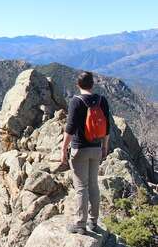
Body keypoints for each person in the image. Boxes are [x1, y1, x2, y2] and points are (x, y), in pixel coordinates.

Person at [60, 71, 110, 235]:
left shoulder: (76, 101)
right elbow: (107, 127)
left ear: (78, 85)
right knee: (94, 185)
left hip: (80, 149)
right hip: (96, 148)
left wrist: (63, 149)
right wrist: (104, 147)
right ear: (92, 84)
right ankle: (93, 222)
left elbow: (70, 128)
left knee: (81, 188)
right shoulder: (102, 101)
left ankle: (80, 225)